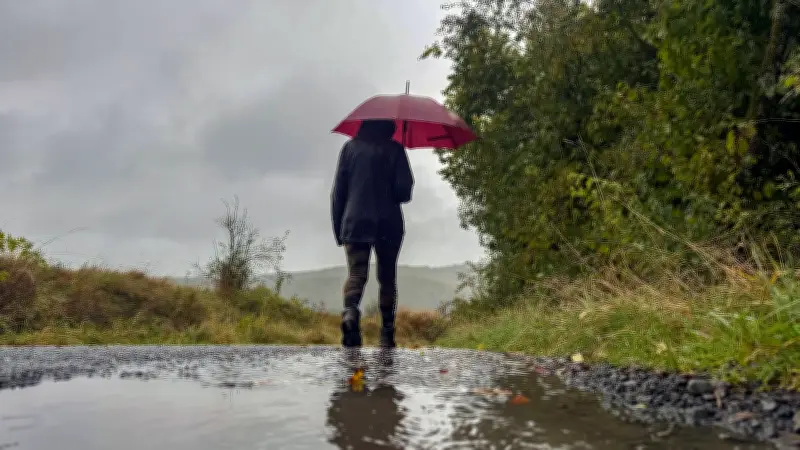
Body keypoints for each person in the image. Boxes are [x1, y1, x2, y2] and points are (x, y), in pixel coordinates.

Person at [330, 119, 414, 348]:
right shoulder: (395, 149)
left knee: (357, 274)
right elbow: (404, 193)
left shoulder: (350, 148)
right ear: (389, 126)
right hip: (388, 223)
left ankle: (350, 313)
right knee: (387, 279)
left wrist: (339, 230)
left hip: (355, 221)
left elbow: (338, 192)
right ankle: (387, 334)